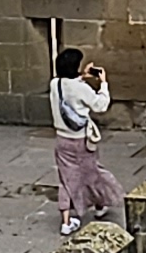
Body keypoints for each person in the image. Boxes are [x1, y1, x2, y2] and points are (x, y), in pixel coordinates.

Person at [50, 47, 124, 232]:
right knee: (92, 173)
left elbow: (69, 86)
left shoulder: (55, 84)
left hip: (62, 139)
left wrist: (82, 75)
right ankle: (102, 202)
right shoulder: (82, 89)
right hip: (81, 140)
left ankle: (66, 222)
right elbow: (101, 105)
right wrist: (103, 84)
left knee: (66, 178)